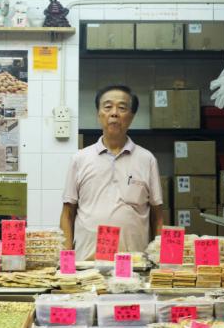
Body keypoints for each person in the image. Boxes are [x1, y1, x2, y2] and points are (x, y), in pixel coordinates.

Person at [60, 85, 164, 261]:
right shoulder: (80, 159)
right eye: (107, 107)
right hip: (86, 263)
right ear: (98, 113)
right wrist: (66, 261)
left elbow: (157, 216)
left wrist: (158, 261)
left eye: (122, 108)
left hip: (134, 264)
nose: (114, 113)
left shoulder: (147, 159)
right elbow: (67, 214)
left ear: (131, 116)